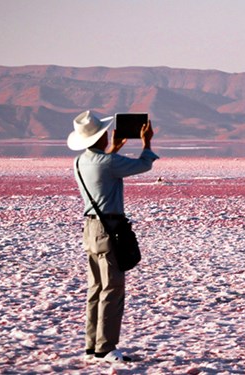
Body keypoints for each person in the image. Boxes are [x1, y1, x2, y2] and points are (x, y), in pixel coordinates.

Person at [67, 110, 159, 363]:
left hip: (91, 230)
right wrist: (147, 142)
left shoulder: (80, 162)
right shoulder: (107, 163)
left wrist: (115, 149)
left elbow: (102, 171)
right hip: (108, 229)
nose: (108, 134)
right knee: (112, 288)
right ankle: (106, 348)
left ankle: (92, 346)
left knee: (95, 288)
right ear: (98, 137)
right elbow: (144, 164)